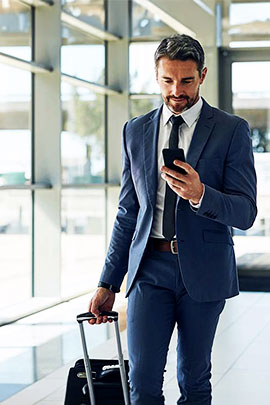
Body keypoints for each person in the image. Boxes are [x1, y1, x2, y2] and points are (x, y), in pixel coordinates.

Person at [88, 34, 257, 405]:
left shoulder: (231, 130)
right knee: (143, 382)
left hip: (205, 268)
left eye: (185, 80)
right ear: (156, 76)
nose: (176, 90)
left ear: (202, 75)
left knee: (194, 379)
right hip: (150, 267)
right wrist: (108, 283)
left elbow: (246, 212)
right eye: (167, 80)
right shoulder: (136, 130)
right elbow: (127, 212)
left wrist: (200, 194)